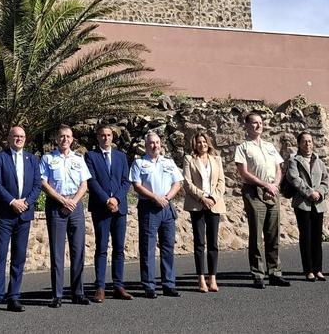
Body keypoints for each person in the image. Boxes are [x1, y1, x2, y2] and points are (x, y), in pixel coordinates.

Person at [0, 125, 41, 315]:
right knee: (0, 256)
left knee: (19, 257)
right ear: (9, 138)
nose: (19, 139)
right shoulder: (0, 157)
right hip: (5, 214)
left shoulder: (32, 159)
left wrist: (26, 203)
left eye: (22, 136)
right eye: (16, 136)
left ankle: (14, 297)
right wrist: (12, 202)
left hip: (24, 214)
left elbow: (37, 184)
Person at [234, 111, 289, 289]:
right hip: (254, 192)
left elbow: (279, 168)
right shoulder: (243, 147)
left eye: (261, 122)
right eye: (254, 122)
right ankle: (258, 274)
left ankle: (275, 272)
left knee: (273, 235)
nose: (259, 125)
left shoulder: (269, 146)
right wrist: (265, 185)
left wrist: (275, 185)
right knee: (257, 235)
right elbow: (243, 172)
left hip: (272, 191)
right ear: (247, 125)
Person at [40, 125, 92, 307]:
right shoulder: (48, 158)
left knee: (78, 250)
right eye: (62, 136)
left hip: (75, 206)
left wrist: (73, 201)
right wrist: (62, 200)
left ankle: (78, 293)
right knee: (57, 252)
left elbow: (84, 184)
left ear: (72, 139)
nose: (65, 139)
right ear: (57, 138)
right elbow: (43, 183)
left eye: (68, 136)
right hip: (56, 206)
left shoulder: (78, 158)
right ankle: (57, 295)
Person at [129, 131, 183, 298]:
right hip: (149, 207)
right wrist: (155, 197)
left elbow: (177, 182)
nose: (155, 146)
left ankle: (169, 284)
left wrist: (166, 198)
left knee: (168, 247)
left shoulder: (168, 162)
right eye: (151, 143)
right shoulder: (139, 163)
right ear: (146, 145)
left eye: (157, 142)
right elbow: (137, 185)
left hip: (166, 207)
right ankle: (149, 285)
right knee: (147, 248)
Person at [82, 124, 133, 302]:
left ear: (113, 137)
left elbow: (126, 181)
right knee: (101, 248)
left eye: (109, 135)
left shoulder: (121, 156)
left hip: (119, 208)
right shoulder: (91, 156)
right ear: (98, 137)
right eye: (102, 135)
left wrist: (116, 199)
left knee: (119, 249)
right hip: (101, 208)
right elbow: (91, 181)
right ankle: (100, 287)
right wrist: (107, 200)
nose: (106, 138)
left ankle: (118, 285)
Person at [181, 131, 225, 293]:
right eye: (199, 142)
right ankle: (200, 278)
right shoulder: (189, 159)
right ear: (195, 144)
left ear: (208, 143)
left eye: (204, 142)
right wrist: (202, 198)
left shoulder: (216, 159)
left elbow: (221, 182)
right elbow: (187, 183)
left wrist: (213, 198)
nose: (202, 145)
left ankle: (212, 278)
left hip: (214, 204)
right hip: (197, 204)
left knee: (213, 243)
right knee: (199, 242)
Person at [285, 131, 329, 282]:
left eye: (310, 141)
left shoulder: (319, 161)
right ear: (299, 144)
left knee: (317, 237)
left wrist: (319, 193)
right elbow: (294, 179)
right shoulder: (294, 161)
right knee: (306, 237)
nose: (308, 144)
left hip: (318, 204)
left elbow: (325, 180)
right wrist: (309, 193)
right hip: (303, 204)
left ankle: (318, 269)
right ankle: (309, 270)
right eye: (304, 141)